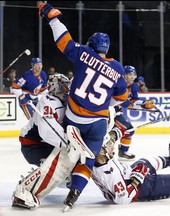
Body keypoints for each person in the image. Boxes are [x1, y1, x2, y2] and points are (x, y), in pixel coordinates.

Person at [38, 1, 129, 211]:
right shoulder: (117, 68)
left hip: (75, 118)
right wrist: (107, 105)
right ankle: (74, 194)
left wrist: (52, 18)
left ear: (91, 45)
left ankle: (61, 165)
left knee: (65, 144)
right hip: (98, 122)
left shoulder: (83, 54)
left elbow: (63, 40)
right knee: (88, 160)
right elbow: (122, 96)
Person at [11, 73, 92, 209]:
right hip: (33, 146)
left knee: (67, 170)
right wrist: (68, 143)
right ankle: (24, 190)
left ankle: (36, 178)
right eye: (65, 87)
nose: (68, 90)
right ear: (56, 87)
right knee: (60, 161)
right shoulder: (48, 101)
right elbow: (47, 131)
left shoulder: (62, 101)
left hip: (44, 144)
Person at [115, 65, 155, 160]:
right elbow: (121, 102)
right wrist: (134, 105)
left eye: (134, 75)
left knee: (129, 130)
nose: (132, 77)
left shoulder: (134, 86)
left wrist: (144, 103)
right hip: (107, 112)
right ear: (124, 75)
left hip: (116, 113)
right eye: (129, 74)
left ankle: (123, 152)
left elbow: (134, 100)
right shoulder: (118, 84)